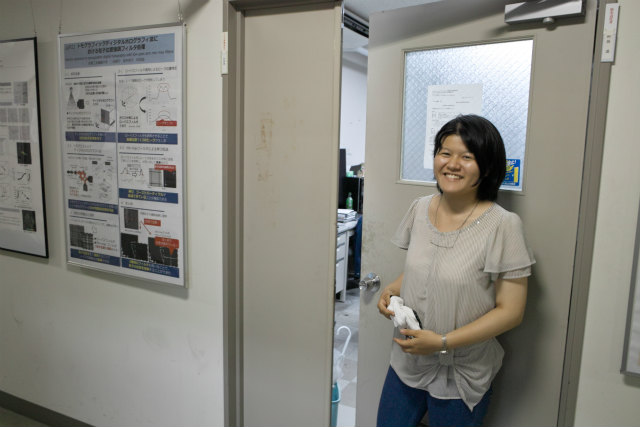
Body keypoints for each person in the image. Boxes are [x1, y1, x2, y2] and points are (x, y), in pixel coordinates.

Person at [376, 115, 535, 427]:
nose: (452, 164)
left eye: (467, 157)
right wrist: (392, 289)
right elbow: (426, 270)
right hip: (408, 361)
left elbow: (511, 311)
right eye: (445, 153)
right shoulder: (420, 208)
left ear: (486, 166)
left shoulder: (504, 225)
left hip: (462, 373)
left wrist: (442, 342)